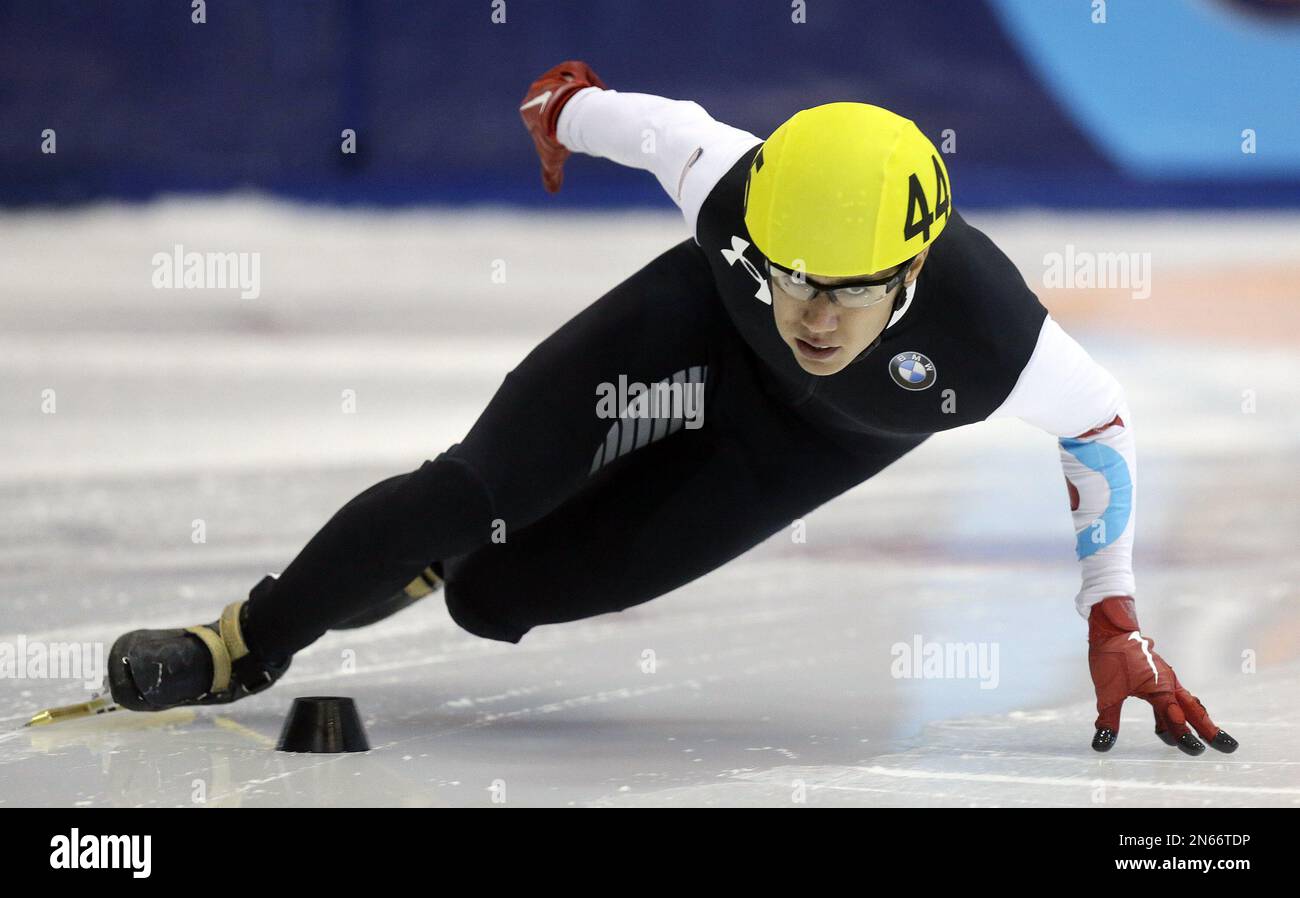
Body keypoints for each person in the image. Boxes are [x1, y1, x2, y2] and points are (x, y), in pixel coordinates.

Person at [105, 61, 1236, 756]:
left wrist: (1111, 612)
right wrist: (562, 104)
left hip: (799, 450)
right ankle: (239, 644)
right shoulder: (733, 188)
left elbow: (1097, 422)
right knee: (469, 492)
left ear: (910, 273)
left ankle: (439, 569)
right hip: (686, 334)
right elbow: (630, 120)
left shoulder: (993, 336)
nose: (812, 313)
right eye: (791, 274)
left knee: (494, 591)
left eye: (847, 291)